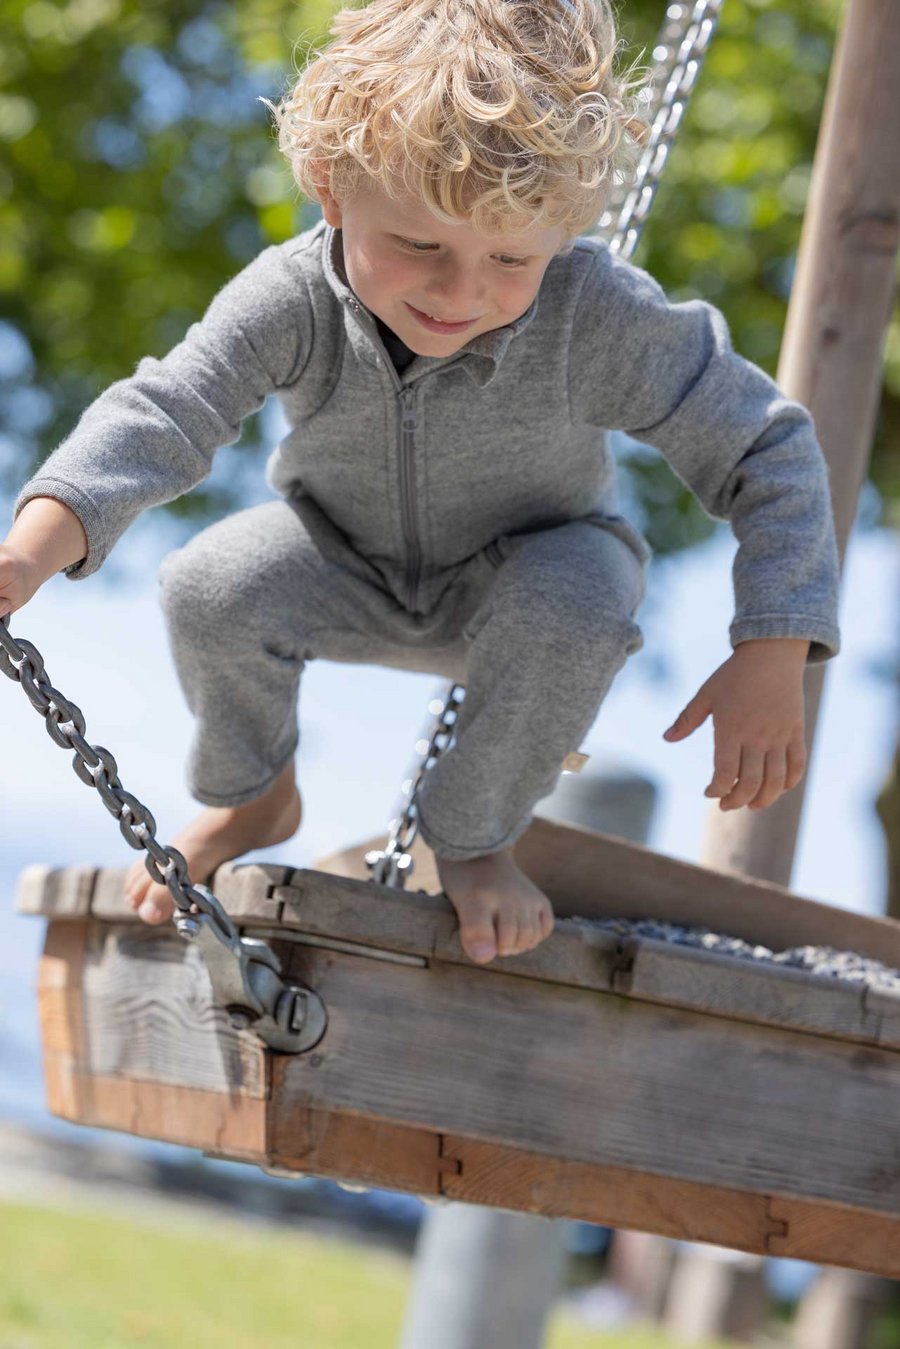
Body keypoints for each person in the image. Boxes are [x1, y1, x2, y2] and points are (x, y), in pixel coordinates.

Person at [0, 0, 841, 966]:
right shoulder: (293, 299)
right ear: (330, 185)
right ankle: (252, 792)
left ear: (564, 232)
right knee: (209, 584)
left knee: (582, 595)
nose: (459, 294)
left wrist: (774, 645)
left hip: (528, 576)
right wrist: (31, 547)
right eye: (419, 245)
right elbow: (165, 413)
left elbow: (765, 446)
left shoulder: (595, 317)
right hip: (340, 559)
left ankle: (475, 838)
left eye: (511, 258)